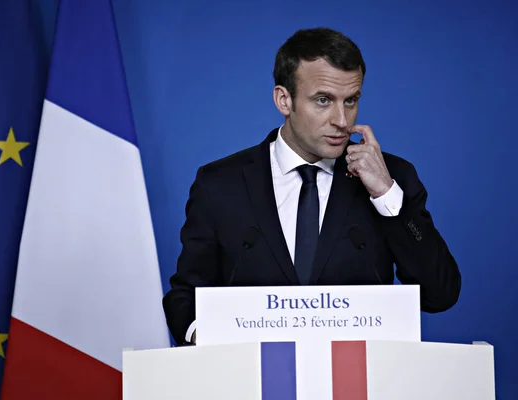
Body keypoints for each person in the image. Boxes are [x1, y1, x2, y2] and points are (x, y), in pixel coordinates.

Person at [162, 27, 461, 345]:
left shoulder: (393, 176)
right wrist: (202, 339)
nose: (342, 121)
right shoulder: (220, 184)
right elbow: (185, 297)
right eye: (323, 100)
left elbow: (439, 294)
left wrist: (386, 194)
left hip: (356, 383)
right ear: (284, 100)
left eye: (351, 101)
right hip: (253, 383)